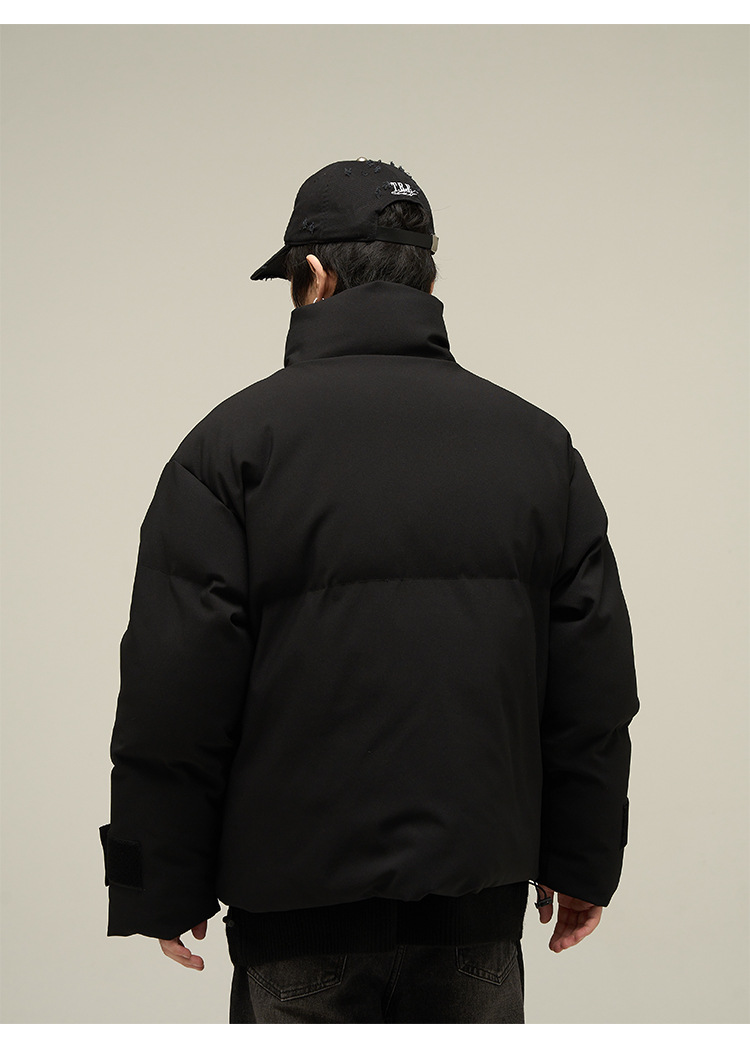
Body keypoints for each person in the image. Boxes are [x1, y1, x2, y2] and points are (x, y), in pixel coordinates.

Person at [100, 158, 639, 1024]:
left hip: (294, 922)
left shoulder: (228, 448)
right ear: (429, 276)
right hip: (476, 919)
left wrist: (157, 880)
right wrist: (583, 860)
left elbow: (174, 688)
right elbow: (594, 687)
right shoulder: (539, 447)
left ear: (314, 276)